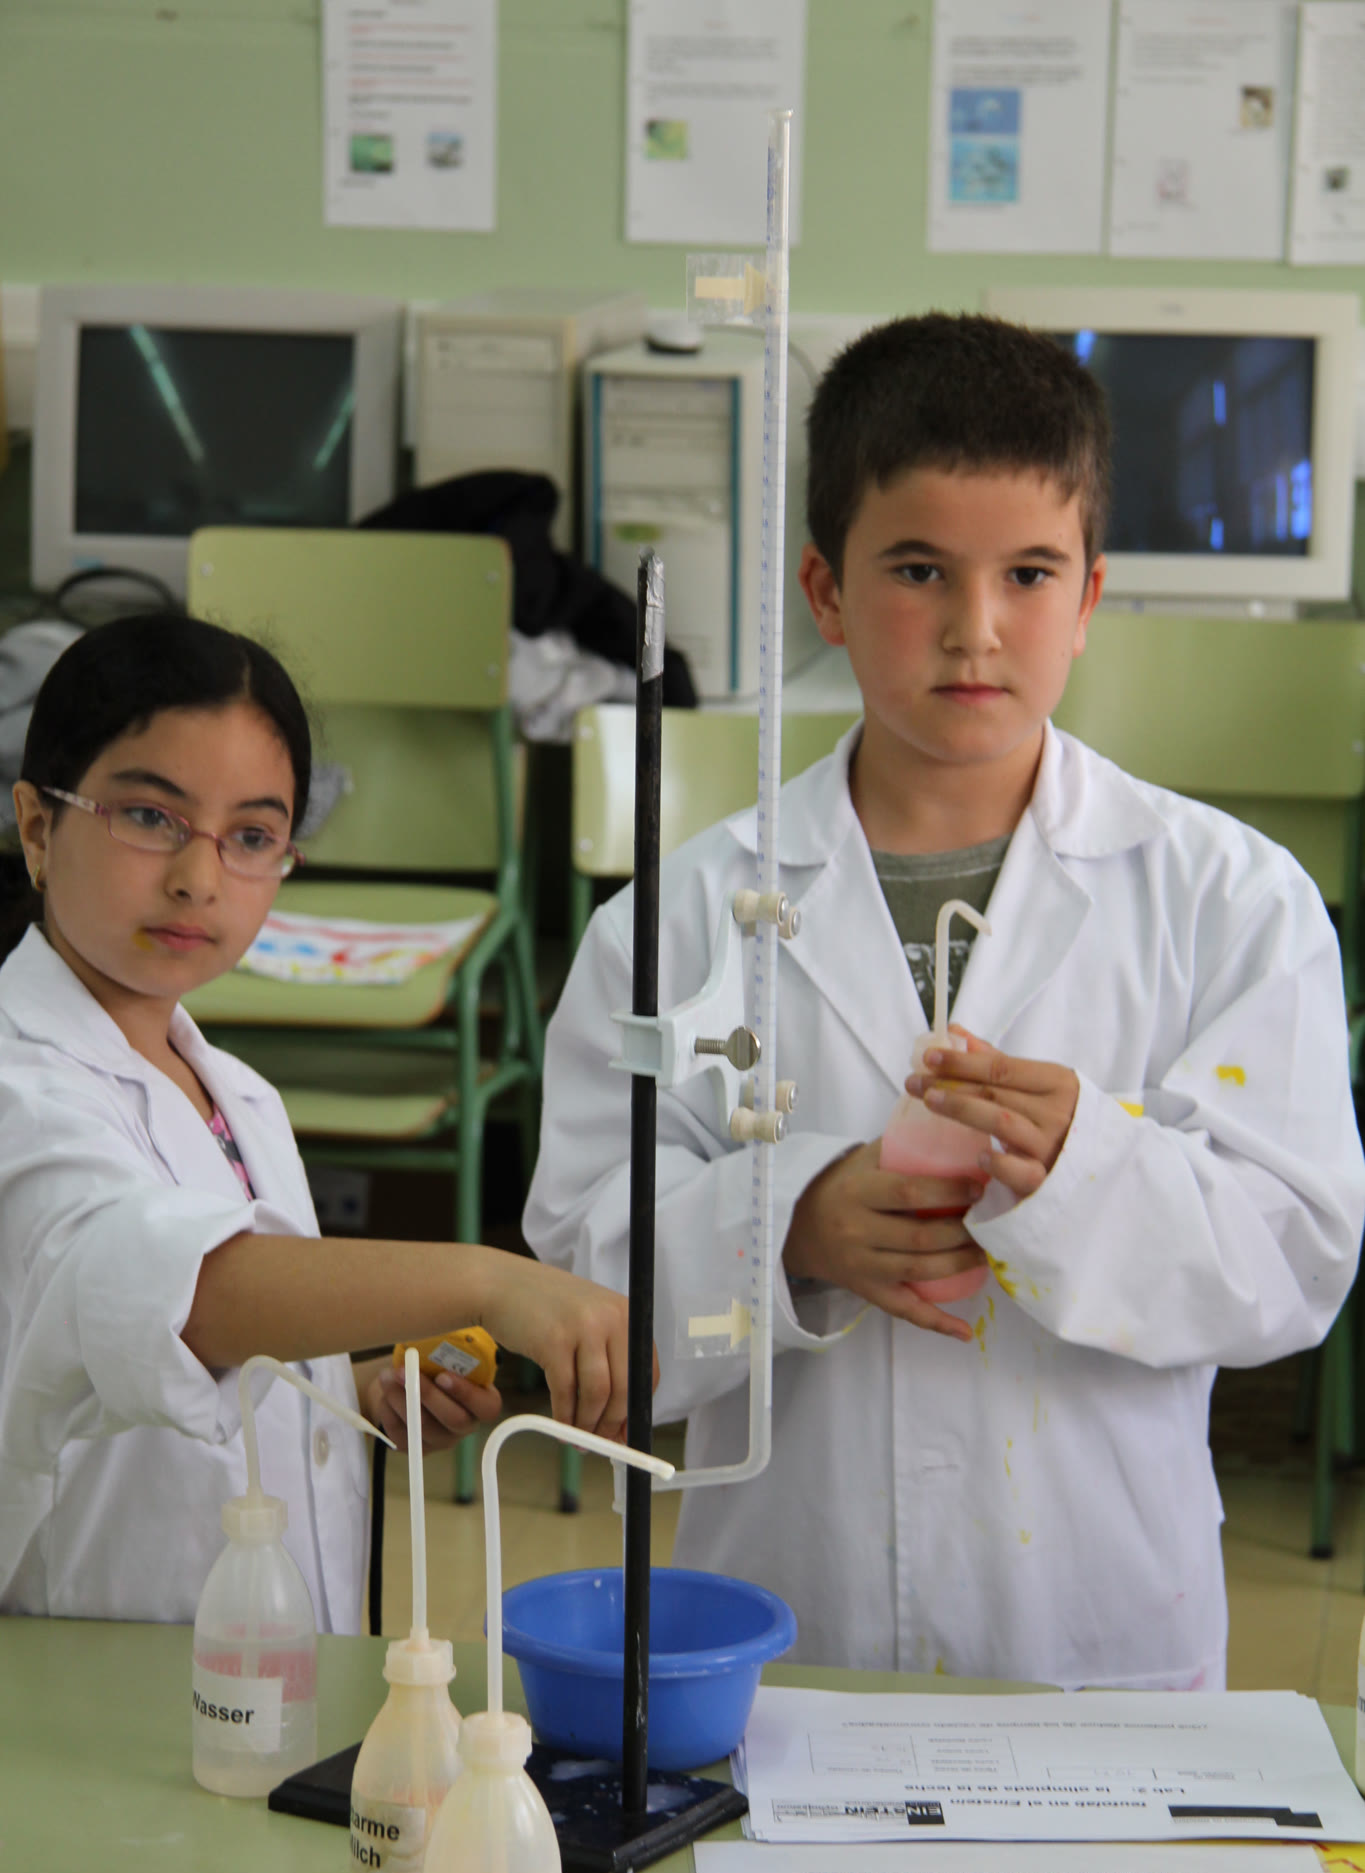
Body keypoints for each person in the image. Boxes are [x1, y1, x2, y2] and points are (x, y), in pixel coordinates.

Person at [524, 312, 1365, 1687]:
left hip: (1094, 1625)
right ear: (825, 591)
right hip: (790, 1611)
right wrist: (786, 1223)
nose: (977, 629)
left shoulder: (1230, 901)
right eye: (919, 569)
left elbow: (1295, 1260)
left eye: (1029, 573)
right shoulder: (677, 921)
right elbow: (576, 1265)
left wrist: (1085, 1168)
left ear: (1088, 598)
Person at [0, 613, 637, 1630]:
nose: (199, 876)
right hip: (98, 1659)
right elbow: (184, 1295)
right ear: (38, 827)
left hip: (254, 1663)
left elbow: (224, 1356)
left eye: (252, 836)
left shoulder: (236, 1094)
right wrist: (491, 1277)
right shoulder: (20, 1085)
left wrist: (357, 1390)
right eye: (150, 816)